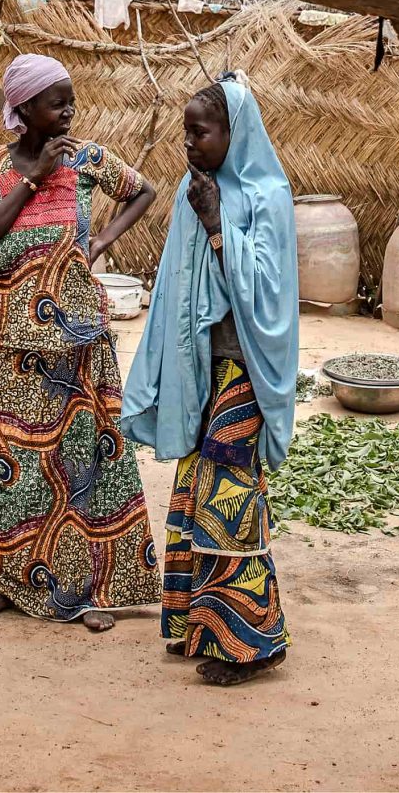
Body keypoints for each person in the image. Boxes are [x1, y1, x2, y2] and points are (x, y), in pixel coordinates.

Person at [0, 54, 161, 631]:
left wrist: (104, 239)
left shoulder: (88, 158)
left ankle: (79, 591)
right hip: (11, 341)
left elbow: (144, 191)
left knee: (79, 466)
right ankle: (9, 584)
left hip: (79, 341)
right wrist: (34, 177)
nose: (69, 109)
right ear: (23, 109)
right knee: (13, 465)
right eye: (56, 100)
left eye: (70, 98)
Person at [123, 74, 298, 685]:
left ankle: (251, 642)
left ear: (234, 132)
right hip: (202, 368)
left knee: (229, 495)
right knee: (197, 491)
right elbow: (175, 282)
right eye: (186, 132)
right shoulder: (189, 189)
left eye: (201, 132)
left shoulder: (267, 196)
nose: (189, 144)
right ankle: (198, 625)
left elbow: (270, 297)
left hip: (244, 368)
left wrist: (221, 224)